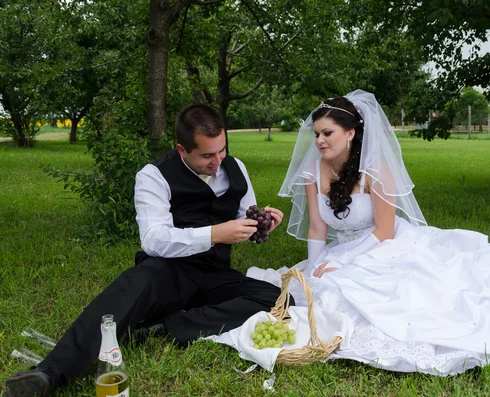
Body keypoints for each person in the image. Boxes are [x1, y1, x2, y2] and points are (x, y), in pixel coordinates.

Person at [243, 90, 490, 375]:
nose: (320, 141)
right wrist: (315, 269)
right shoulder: (314, 170)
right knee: (319, 290)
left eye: (328, 133)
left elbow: (384, 231)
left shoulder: (375, 169)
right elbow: (318, 226)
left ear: (351, 133)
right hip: (344, 247)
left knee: (411, 296)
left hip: (386, 245)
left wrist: (344, 263)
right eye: (317, 133)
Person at [5, 104, 291, 396]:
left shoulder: (237, 168)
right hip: (167, 270)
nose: (217, 161)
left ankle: (162, 327)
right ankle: (50, 373)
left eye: (221, 151)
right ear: (182, 149)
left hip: (215, 272)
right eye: (207, 155)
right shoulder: (153, 175)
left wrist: (262, 225)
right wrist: (214, 233)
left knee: (277, 297)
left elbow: (246, 218)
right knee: (129, 290)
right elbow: (153, 239)